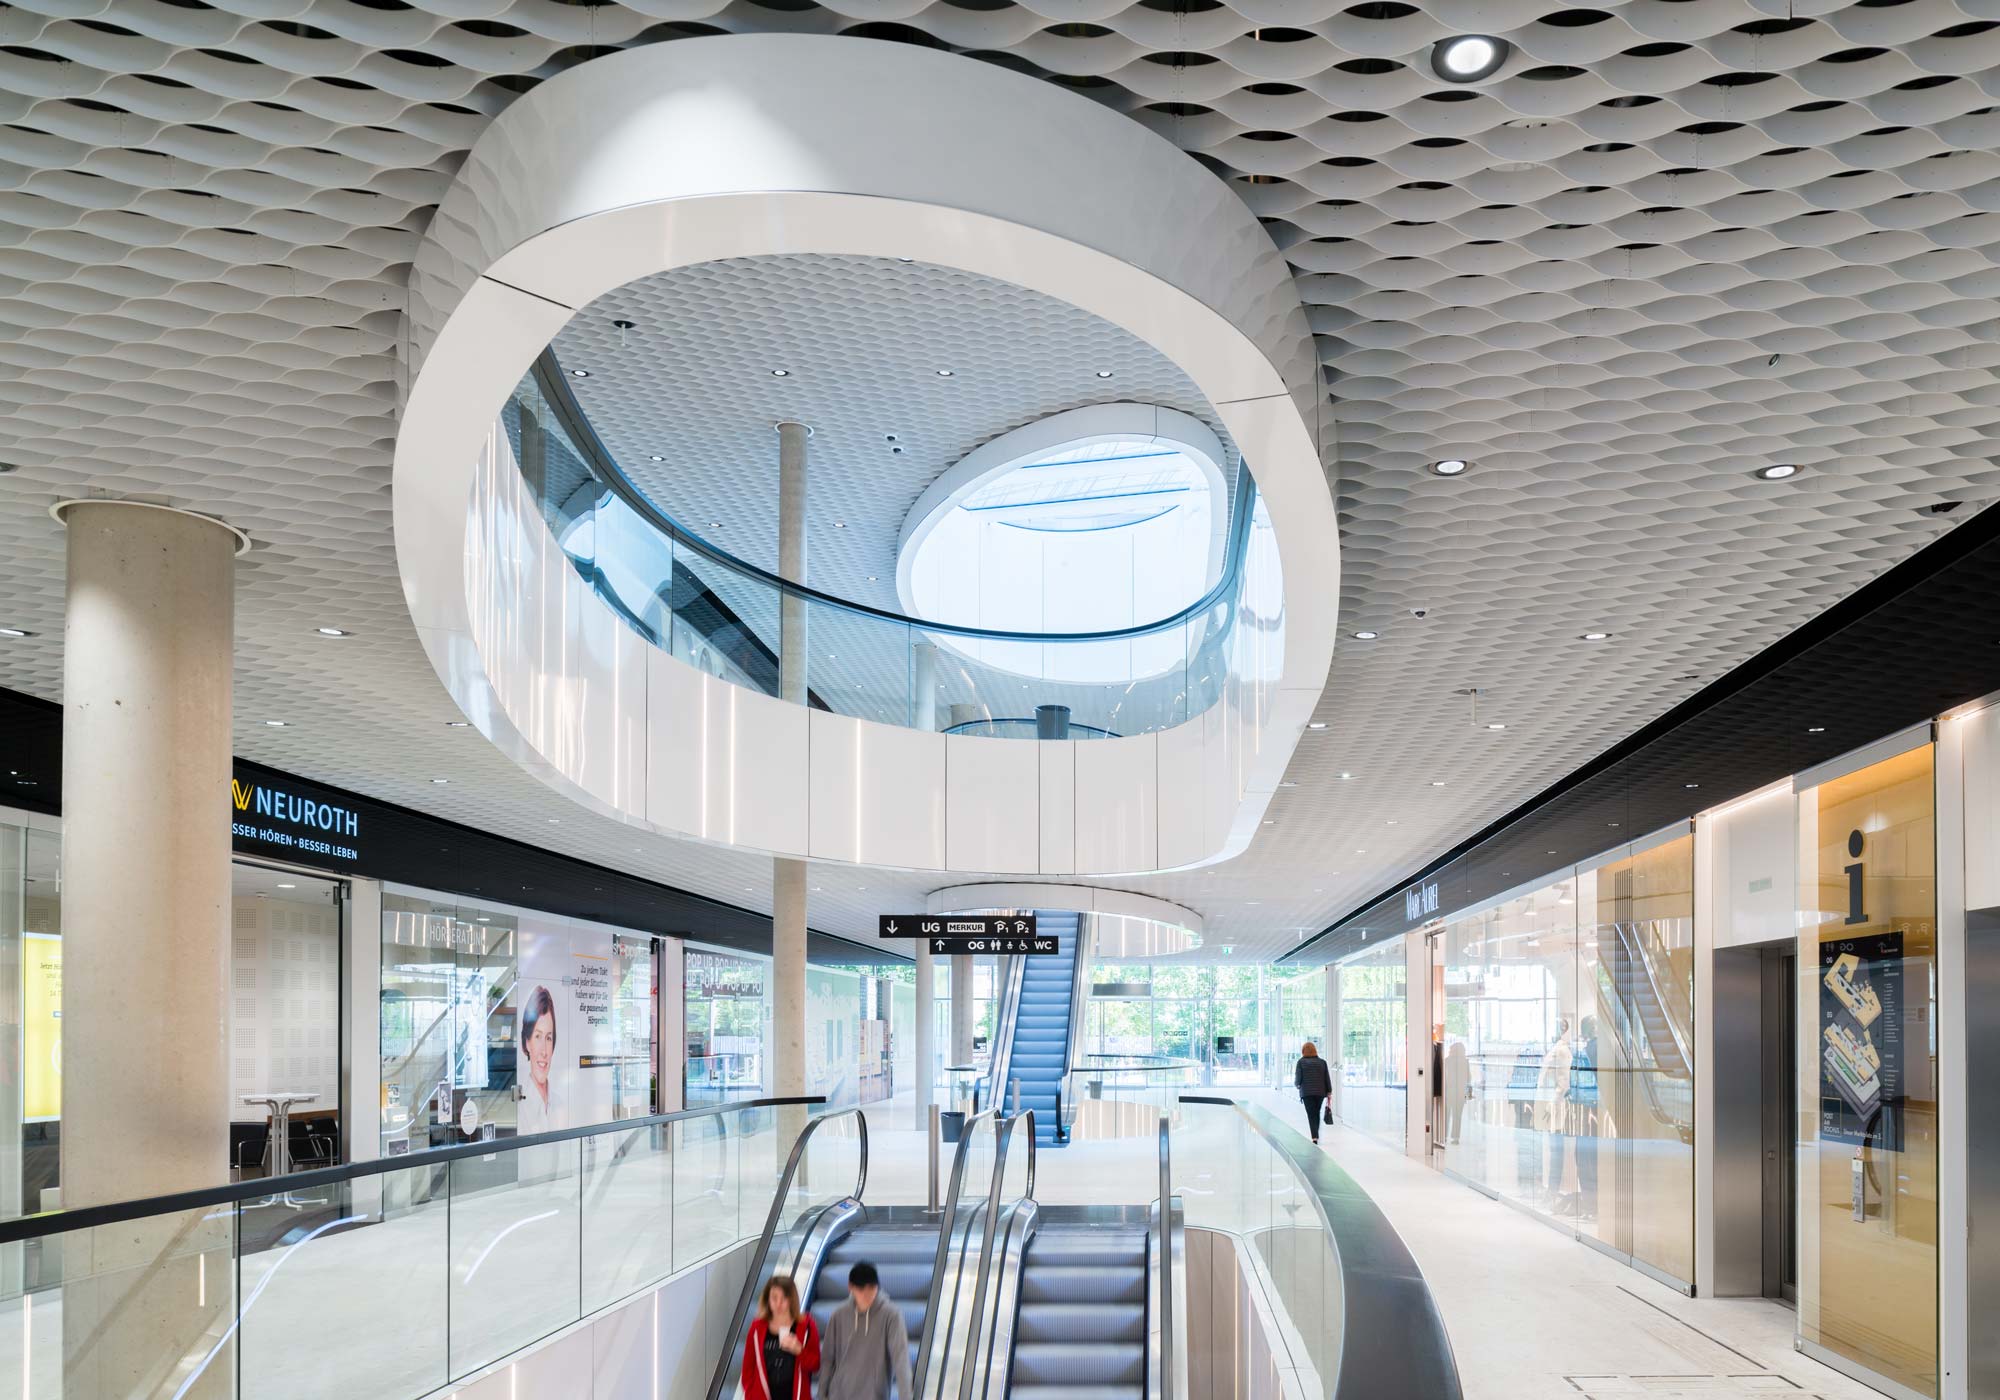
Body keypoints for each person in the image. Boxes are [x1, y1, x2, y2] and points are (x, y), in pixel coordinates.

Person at [820, 1260, 913, 1400]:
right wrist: (822, 1393)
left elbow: (901, 1358)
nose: (867, 1294)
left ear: (878, 1287)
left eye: (871, 1288)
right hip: (839, 1394)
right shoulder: (838, 1315)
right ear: (850, 1287)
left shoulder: (891, 1315)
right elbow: (828, 1357)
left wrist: (905, 1396)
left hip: (874, 1395)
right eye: (861, 1289)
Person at [742, 1274, 821, 1400]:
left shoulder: (806, 1325)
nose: (778, 1303)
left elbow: (815, 1365)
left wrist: (799, 1351)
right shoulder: (757, 1327)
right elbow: (747, 1368)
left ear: (791, 1300)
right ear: (767, 1299)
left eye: (784, 1298)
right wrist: (750, 1394)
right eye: (774, 1298)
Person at [517, 985, 563, 1133]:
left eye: (548, 1038)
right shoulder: (519, 1107)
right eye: (537, 1036)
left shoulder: (560, 1103)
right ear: (527, 1042)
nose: (544, 1051)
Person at [1293, 1041, 1333, 1144]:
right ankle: (1316, 1135)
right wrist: (1329, 1090)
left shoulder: (1301, 1062)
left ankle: (1315, 1137)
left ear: (1303, 1051)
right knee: (1316, 1112)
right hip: (1320, 1092)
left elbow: (1298, 1077)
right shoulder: (1322, 1062)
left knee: (1311, 1114)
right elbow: (1326, 1078)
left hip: (1307, 1093)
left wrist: (1297, 1084)